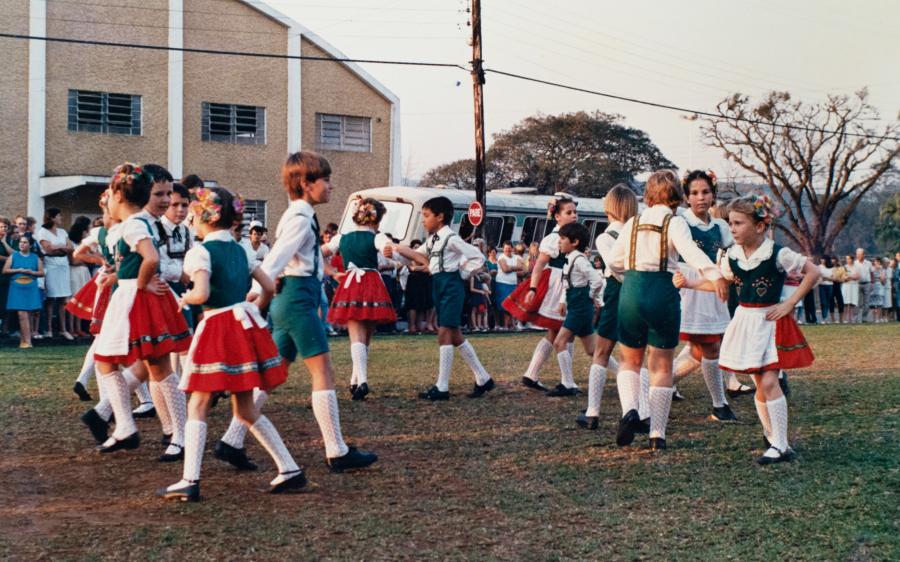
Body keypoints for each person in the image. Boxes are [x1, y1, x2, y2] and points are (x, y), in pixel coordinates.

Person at [217, 151, 377, 473]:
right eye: (326, 180)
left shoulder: (300, 216)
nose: (332, 186)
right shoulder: (300, 219)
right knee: (323, 372)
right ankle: (336, 450)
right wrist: (256, 294)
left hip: (293, 296)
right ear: (305, 184)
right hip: (297, 298)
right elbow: (276, 259)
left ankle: (232, 441)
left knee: (273, 373)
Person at [158, 187, 304, 501]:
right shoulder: (242, 249)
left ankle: (190, 479)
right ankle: (289, 468)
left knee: (198, 404)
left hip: (217, 327)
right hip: (244, 324)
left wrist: (185, 299)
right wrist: (256, 309)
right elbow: (268, 286)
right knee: (246, 407)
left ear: (202, 216)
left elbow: (201, 293)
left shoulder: (200, 251)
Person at [675, 195, 818, 464]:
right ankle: (773, 437)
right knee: (759, 384)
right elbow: (721, 284)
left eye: (739, 223)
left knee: (769, 381)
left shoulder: (777, 253)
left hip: (770, 322)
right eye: (730, 223)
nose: (733, 229)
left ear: (760, 226)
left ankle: (780, 444)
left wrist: (789, 303)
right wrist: (690, 284)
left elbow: (812, 272)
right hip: (745, 321)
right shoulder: (731, 256)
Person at [609, 170, 728, 451]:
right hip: (662, 292)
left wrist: (631, 276)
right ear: (677, 195)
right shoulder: (675, 223)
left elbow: (613, 262)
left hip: (632, 290)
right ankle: (657, 434)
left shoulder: (632, 223)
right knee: (661, 364)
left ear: (648, 195)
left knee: (629, 359)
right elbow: (692, 253)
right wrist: (716, 275)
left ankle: (630, 411)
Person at [91, 163, 192, 455]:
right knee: (106, 361)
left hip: (138, 298)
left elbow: (150, 259)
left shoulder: (135, 223)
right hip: (126, 296)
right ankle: (125, 425)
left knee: (158, 367)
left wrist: (143, 284)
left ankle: (180, 434)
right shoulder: (126, 226)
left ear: (117, 196)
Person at [392, 196, 495, 401]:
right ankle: (483, 378)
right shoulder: (433, 240)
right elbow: (415, 254)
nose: (423, 220)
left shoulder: (451, 238)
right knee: (454, 333)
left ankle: (442, 386)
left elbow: (477, 257)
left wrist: (462, 274)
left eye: (426, 216)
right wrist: (395, 251)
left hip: (451, 285)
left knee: (444, 331)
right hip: (439, 284)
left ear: (440, 217)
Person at [674, 170, 739, 422]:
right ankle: (719, 404)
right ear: (686, 197)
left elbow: (729, 252)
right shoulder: (681, 221)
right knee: (707, 346)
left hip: (712, 286)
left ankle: (662, 384)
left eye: (705, 192)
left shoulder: (720, 225)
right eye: (694, 193)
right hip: (689, 286)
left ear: (713, 194)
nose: (701, 198)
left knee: (703, 347)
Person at [321, 196, 398, 401]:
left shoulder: (341, 238)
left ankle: (358, 380)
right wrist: (389, 250)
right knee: (365, 336)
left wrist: (331, 271)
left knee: (356, 335)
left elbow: (317, 253)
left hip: (351, 283)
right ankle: (359, 381)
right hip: (372, 284)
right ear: (376, 220)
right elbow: (387, 248)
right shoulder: (377, 237)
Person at [504, 194, 580, 393]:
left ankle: (533, 374)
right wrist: (532, 289)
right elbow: (539, 265)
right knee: (565, 331)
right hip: (556, 287)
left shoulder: (571, 236)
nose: (574, 215)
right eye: (568, 212)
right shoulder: (554, 238)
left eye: (575, 212)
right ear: (557, 216)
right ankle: (567, 381)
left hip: (565, 285)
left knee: (557, 332)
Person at [577, 184, 637, 431]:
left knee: (601, 353)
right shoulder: (636, 234)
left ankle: (593, 412)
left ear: (609, 208)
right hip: (636, 294)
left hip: (615, 294)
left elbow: (615, 268)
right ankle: (635, 411)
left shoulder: (605, 237)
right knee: (633, 357)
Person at [552, 222, 602, 397]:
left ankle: (568, 383)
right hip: (577, 306)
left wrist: (591, 296)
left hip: (580, 307)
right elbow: (569, 285)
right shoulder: (571, 259)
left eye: (563, 239)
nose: (559, 242)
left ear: (574, 242)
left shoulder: (579, 260)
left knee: (559, 342)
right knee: (593, 351)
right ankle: (623, 375)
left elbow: (596, 280)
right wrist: (564, 301)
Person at [37, 208, 74, 340]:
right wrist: (62, 247)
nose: (61, 218)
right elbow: (48, 249)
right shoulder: (43, 232)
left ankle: (63, 330)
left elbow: (71, 248)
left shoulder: (63, 231)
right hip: (51, 265)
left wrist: (58, 247)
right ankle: (49, 329)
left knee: (64, 299)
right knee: (51, 299)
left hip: (63, 266)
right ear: (52, 218)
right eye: (59, 216)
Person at [3, 236, 43, 348]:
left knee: (29, 313)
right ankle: (28, 341)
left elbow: (41, 273)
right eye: (21, 242)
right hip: (16, 287)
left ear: (30, 245)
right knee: (21, 314)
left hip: (30, 287)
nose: (22, 244)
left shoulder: (35, 257)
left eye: (25, 242)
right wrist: (18, 270)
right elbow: (5, 270)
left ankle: (23, 340)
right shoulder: (13, 256)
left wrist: (32, 272)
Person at [67, 216, 93, 337]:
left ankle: (79, 328)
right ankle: (71, 328)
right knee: (74, 298)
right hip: (75, 272)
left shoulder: (84, 243)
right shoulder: (72, 243)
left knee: (81, 299)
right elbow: (73, 261)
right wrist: (86, 260)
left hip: (83, 272)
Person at [403, 239, 433, 334]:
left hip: (423, 281)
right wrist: (424, 266)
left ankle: (419, 326)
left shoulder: (424, 257)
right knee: (413, 305)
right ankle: (411, 326)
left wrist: (422, 267)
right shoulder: (409, 257)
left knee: (421, 304)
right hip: (413, 281)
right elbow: (412, 268)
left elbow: (429, 268)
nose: (418, 250)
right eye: (415, 247)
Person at [495, 241, 523, 331]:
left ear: (512, 248)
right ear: (503, 249)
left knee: (512, 305)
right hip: (502, 283)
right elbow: (505, 269)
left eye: (509, 248)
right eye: (505, 248)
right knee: (505, 305)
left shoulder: (517, 257)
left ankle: (511, 324)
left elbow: (523, 267)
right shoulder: (501, 257)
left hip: (513, 284)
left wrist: (511, 267)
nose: (507, 250)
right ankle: (506, 325)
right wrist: (515, 267)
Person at [853, 249, 874, 323]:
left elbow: (872, 273)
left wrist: (872, 283)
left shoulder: (868, 263)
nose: (857, 256)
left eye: (859, 254)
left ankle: (864, 318)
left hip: (867, 284)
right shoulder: (854, 263)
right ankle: (855, 318)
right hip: (857, 284)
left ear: (863, 255)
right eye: (857, 254)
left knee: (866, 302)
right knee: (857, 302)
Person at [841, 255, 859, 323]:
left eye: (849, 259)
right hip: (846, 286)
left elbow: (857, 276)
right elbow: (842, 277)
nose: (848, 260)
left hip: (853, 286)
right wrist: (850, 277)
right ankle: (844, 318)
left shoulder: (856, 267)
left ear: (852, 259)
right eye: (847, 259)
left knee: (852, 303)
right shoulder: (844, 267)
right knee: (845, 303)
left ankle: (851, 318)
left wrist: (849, 276)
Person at [818, 256, 836, 324]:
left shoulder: (832, 268)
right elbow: (819, 276)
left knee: (828, 302)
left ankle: (826, 317)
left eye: (823, 259)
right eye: (821, 259)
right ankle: (824, 317)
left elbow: (834, 278)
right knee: (823, 302)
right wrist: (827, 278)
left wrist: (826, 277)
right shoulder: (819, 267)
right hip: (822, 286)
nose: (822, 260)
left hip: (830, 286)